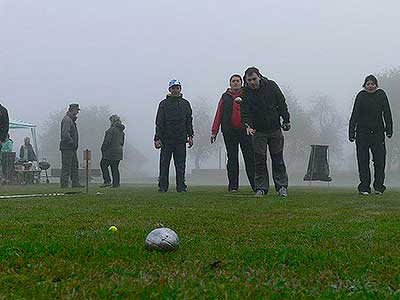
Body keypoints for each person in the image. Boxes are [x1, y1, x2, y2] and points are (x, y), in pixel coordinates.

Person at [240, 67, 291, 197]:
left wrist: (286, 119)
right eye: (249, 80)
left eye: (254, 79)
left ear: (260, 77)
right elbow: (245, 112)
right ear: (246, 80)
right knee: (259, 161)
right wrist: (248, 126)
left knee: (278, 159)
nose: (252, 82)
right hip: (257, 132)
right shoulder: (244, 93)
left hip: (274, 129)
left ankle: (281, 187)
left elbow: (281, 102)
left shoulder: (272, 86)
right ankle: (261, 188)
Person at [349, 74, 393, 195]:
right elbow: (355, 114)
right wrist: (351, 132)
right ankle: (364, 187)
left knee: (379, 161)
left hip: (378, 134)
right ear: (365, 85)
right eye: (368, 84)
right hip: (362, 134)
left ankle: (378, 187)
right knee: (363, 161)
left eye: (372, 83)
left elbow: (387, 113)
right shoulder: (361, 96)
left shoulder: (381, 95)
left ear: (376, 85)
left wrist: (389, 129)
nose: (370, 86)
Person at [211, 74, 255, 192]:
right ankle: (233, 187)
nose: (235, 83)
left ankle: (256, 186)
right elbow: (218, 113)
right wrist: (214, 131)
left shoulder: (246, 94)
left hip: (245, 131)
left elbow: (253, 110)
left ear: (241, 83)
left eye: (238, 81)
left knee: (250, 158)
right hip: (229, 131)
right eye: (233, 81)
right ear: (230, 83)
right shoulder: (225, 97)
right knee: (232, 158)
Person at [154, 79, 194, 192]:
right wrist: (157, 138)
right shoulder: (163, 104)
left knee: (180, 165)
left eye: (177, 88)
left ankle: (181, 186)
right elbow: (159, 122)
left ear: (180, 89)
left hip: (181, 139)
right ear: (169, 89)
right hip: (166, 139)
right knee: (164, 164)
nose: (175, 90)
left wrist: (190, 136)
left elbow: (189, 121)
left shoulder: (185, 104)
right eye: (173, 88)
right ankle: (162, 187)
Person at [60, 103, 82, 188]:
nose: (77, 112)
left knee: (74, 165)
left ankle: (75, 183)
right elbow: (65, 134)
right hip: (67, 147)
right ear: (72, 110)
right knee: (66, 166)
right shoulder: (67, 120)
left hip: (71, 147)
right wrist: (72, 142)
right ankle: (64, 184)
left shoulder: (70, 120)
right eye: (77, 110)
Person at [100, 114, 125, 188]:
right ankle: (116, 183)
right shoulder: (121, 131)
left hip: (110, 152)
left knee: (103, 164)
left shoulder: (111, 130)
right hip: (119, 151)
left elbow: (107, 141)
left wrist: (102, 148)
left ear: (112, 121)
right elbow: (122, 142)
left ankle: (107, 181)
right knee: (115, 168)